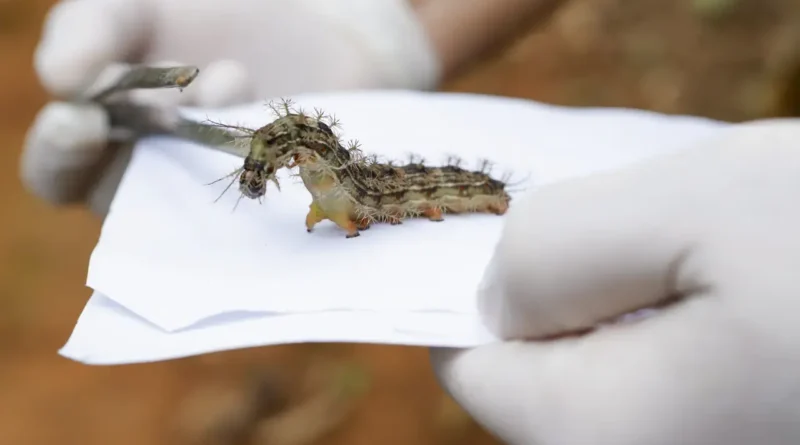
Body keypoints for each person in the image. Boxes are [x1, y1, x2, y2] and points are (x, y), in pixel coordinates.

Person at [20, 0, 800, 444]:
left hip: (452, 187)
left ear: (290, 156)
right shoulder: (326, 179)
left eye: (262, 168)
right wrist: (396, 31)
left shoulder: (356, 189)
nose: (257, 180)